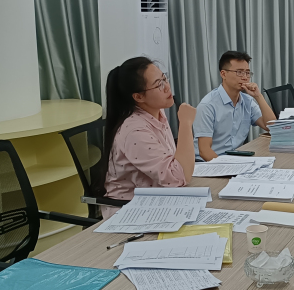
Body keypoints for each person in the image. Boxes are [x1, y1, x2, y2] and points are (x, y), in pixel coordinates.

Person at [100, 57, 197, 218]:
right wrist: (185, 124)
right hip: (128, 212)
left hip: (157, 200)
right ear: (138, 97)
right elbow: (178, 177)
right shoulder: (135, 131)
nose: (167, 87)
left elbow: (175, 169)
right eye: (159, 85)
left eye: (164, 79)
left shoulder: (157, 113)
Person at [193, 51, 276, 160]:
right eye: (239, 72)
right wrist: (228, 167)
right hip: (207, 163)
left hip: (234, 158)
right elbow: (204, 151)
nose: (245, 77)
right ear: (223, 74)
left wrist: (258, 96)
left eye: (247, 73)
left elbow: (272, 127)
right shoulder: (208, 105)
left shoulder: (247, 101)